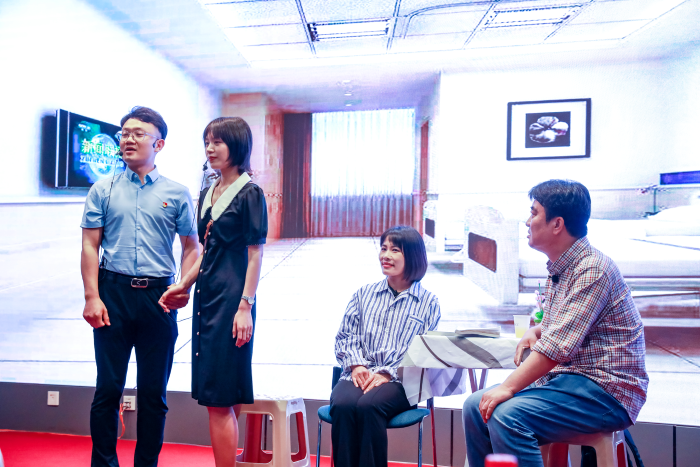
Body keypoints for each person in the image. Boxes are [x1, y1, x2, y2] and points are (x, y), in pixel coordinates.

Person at [462, 180, 649, 467]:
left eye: (534, 213)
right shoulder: (561, 268)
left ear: (557, 224)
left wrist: (508, 387)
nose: (527, 222)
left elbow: (557, 348)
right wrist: (537, 330)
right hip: (571, 382)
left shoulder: (592, 269)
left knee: (507, 415)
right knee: (475, 407)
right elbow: (566, 324)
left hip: (606, 391)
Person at [81, 106, 200, 467]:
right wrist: (92, 297)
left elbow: (191, 248)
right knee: (107, 390)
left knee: (153, 394)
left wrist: (183, 287)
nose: (128, 139)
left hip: (158, 298)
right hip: (112, 294)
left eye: (138, 134)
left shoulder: (176, 193)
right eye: (124, 134)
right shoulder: (102, 189)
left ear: (158, 144)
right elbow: (90, 245)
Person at [159, 117, 267, 467]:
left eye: (218, 142)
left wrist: (245, 306)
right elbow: (207, 250)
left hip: (233, 301)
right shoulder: (208, 192)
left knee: (220, 397)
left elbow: (255, 254)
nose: (210, 148)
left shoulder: (250, 193)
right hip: (208, 298)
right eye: (207, 141)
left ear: (237, 146)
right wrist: (183, 284)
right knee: (225, 392)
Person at [330, 225, 441, 467]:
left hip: (401, 382)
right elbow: (345, 336)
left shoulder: (429, 303)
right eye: (383, 248)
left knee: (369, 406)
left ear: (412, 255)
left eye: (394, 250)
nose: (385, 255)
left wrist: (387, 373)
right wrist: (357, 365)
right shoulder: (363, 294)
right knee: (343, 405)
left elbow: (421, 351)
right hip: (358, 374)